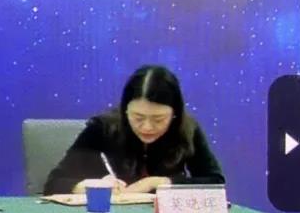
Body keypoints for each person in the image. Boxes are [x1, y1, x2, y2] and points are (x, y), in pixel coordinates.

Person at [43, 65, 225, 194]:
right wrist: (90, 187)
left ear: (174, 114)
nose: (147, 127)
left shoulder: (188, 129)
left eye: (159, 119)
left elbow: (215, 183)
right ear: (125, 110)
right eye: (138, 118)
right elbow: (54, 183)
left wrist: (160, 182)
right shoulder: (101, 129)